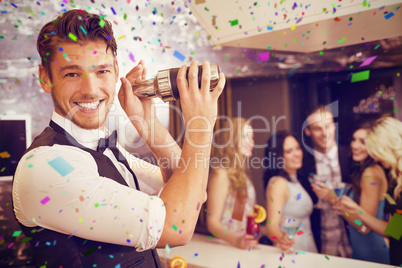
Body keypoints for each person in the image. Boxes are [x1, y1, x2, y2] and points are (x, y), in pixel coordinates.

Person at [12, 9, 225, 267]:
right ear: (46, 78)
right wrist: (200, 129)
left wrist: (148, 124)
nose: (90, 90)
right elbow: (176, 226)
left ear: (116, 71)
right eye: (72, 73)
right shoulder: (47, 166)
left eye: (101, 71)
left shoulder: (108, 150)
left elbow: (193, 197)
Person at [318, 122, 389, 263]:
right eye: (354, 139)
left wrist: (333, 201)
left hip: (371, 254)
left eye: (363, 142)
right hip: (361, 252)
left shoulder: (370, 174)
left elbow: (363, 228)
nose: (355, 145)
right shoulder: (363, 170)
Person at [337, 116, 402, 266]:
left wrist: (355, 211)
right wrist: (356, 210)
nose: (376, 157)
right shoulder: (396, 181)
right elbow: (395, 231)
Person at [299, 105, 352, 257]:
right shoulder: (302, 163)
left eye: (328, 126)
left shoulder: (351, 155)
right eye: (317, 128)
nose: (324, 133)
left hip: (354, 240)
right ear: (308, 131)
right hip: (320, 242)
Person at [205, 117, 259, 249]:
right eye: (246, 137)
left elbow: (239, 215)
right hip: (225, 247)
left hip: (242, 246)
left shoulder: (241, 176)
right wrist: (236, 240)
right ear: (232, 139)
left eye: (252, 137)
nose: (251, 142)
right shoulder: (221, 175)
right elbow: (212, 223)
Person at [263, 131, 318, 253]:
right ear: (277, 157)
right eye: (288, 151)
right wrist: (283, 240)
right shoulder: (278, 183)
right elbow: (271, 226)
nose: (296, 154)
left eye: (297, 148)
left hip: (307, 248)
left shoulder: (297, 180)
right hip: (290, 251)